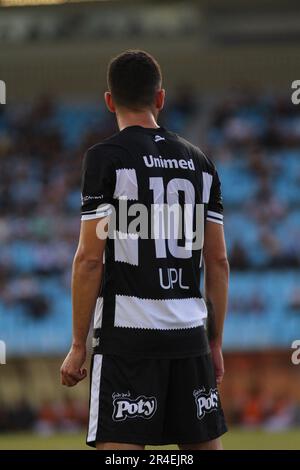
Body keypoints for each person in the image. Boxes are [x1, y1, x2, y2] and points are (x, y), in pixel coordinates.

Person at [60, 50, 229, 450]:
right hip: (189, 336)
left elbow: (89, 259)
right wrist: (215, 343)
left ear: (108, 100)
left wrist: (78, 345)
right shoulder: (200, 162)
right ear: (161, 99)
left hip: (128, 337)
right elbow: (218, 261)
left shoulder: (106, 159)